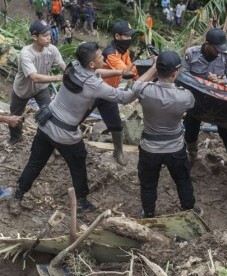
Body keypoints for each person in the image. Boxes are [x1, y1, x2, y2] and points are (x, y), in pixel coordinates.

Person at [7, 42, 138, 215]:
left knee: (35, 162)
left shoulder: (74, 65)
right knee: (78, 165)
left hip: (46, 123)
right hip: (65, 134)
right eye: (100, 57)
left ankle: (17, 197)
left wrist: (121, 72)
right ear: (91, 63)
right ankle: (82, 201)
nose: (103, 58)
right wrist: (146, 77)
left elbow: (97, 72)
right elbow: (126, 97)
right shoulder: (95, 85)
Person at [132, 51, 202, 218]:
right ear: (175, 72)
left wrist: (153, 68)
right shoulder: (184, 96)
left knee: (148, 184)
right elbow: (191, 105)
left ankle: (148, 212)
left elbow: (137, 84)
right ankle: (189, 211)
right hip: (175, 148)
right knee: (183, 181)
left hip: (150, 148)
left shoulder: (144, 91)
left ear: (158, 69)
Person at [182, 28, 227, 176]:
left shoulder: (226, 57)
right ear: (207, 44)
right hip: (196, 100)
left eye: (221, 49)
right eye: (216, 49)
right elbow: (183, 75)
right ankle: (192, 157)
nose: (219, 52)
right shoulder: (191, 54)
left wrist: (221, 80)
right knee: (191, 129)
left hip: (218, 102)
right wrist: (201, 81)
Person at [84, 20, 138, 166]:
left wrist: (143, 75)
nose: (130, 39)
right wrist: (146, 74)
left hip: (108, 93)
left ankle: (118, 151)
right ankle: (56, 144)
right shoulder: (109, 53)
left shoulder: (124, 51)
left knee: (116, 124)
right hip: (94, 92)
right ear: (118, 36)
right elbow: (126, 72)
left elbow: (131, 68)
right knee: (76, 118)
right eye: (127, 36)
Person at [4, 19, 66, 146]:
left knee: (49, 113)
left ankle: (49, 142)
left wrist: (68, 73)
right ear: (34, 37)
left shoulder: (52, 50)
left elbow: (62, 65)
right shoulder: (26, 53)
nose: (49, 38)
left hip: (41, 88)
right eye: (45, 36)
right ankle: (15, 137)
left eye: (49, 34)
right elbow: (34, 77)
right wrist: (59, 78)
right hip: (22, 90)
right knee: (15, 116)